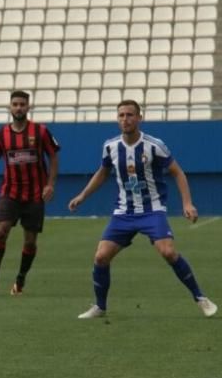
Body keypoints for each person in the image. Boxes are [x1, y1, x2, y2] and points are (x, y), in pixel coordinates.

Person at [69, 100, 217, 319]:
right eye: (121, 115)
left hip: (152, 210)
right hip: (123, 213)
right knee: (101, 257)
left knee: (168, 251)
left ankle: (200, 298)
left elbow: (178, 172)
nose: (125, 119)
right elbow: (102, 172)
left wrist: (187, 203)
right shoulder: (110, 146)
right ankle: (100, 307)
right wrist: (82, 195)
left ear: (139, 117)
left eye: (130, 115)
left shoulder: (154, 145)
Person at [0, 90, 60, 295]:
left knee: (30, 240)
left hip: (35, 195)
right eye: (15, 104)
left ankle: (20, 279)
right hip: (10, 193)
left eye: (22, 104)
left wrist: (50, 184)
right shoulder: (0, 135)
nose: (19, 108)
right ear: (10, 107)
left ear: (28, 107)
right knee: (1, 230)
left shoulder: (40, 131)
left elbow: (53, 156)